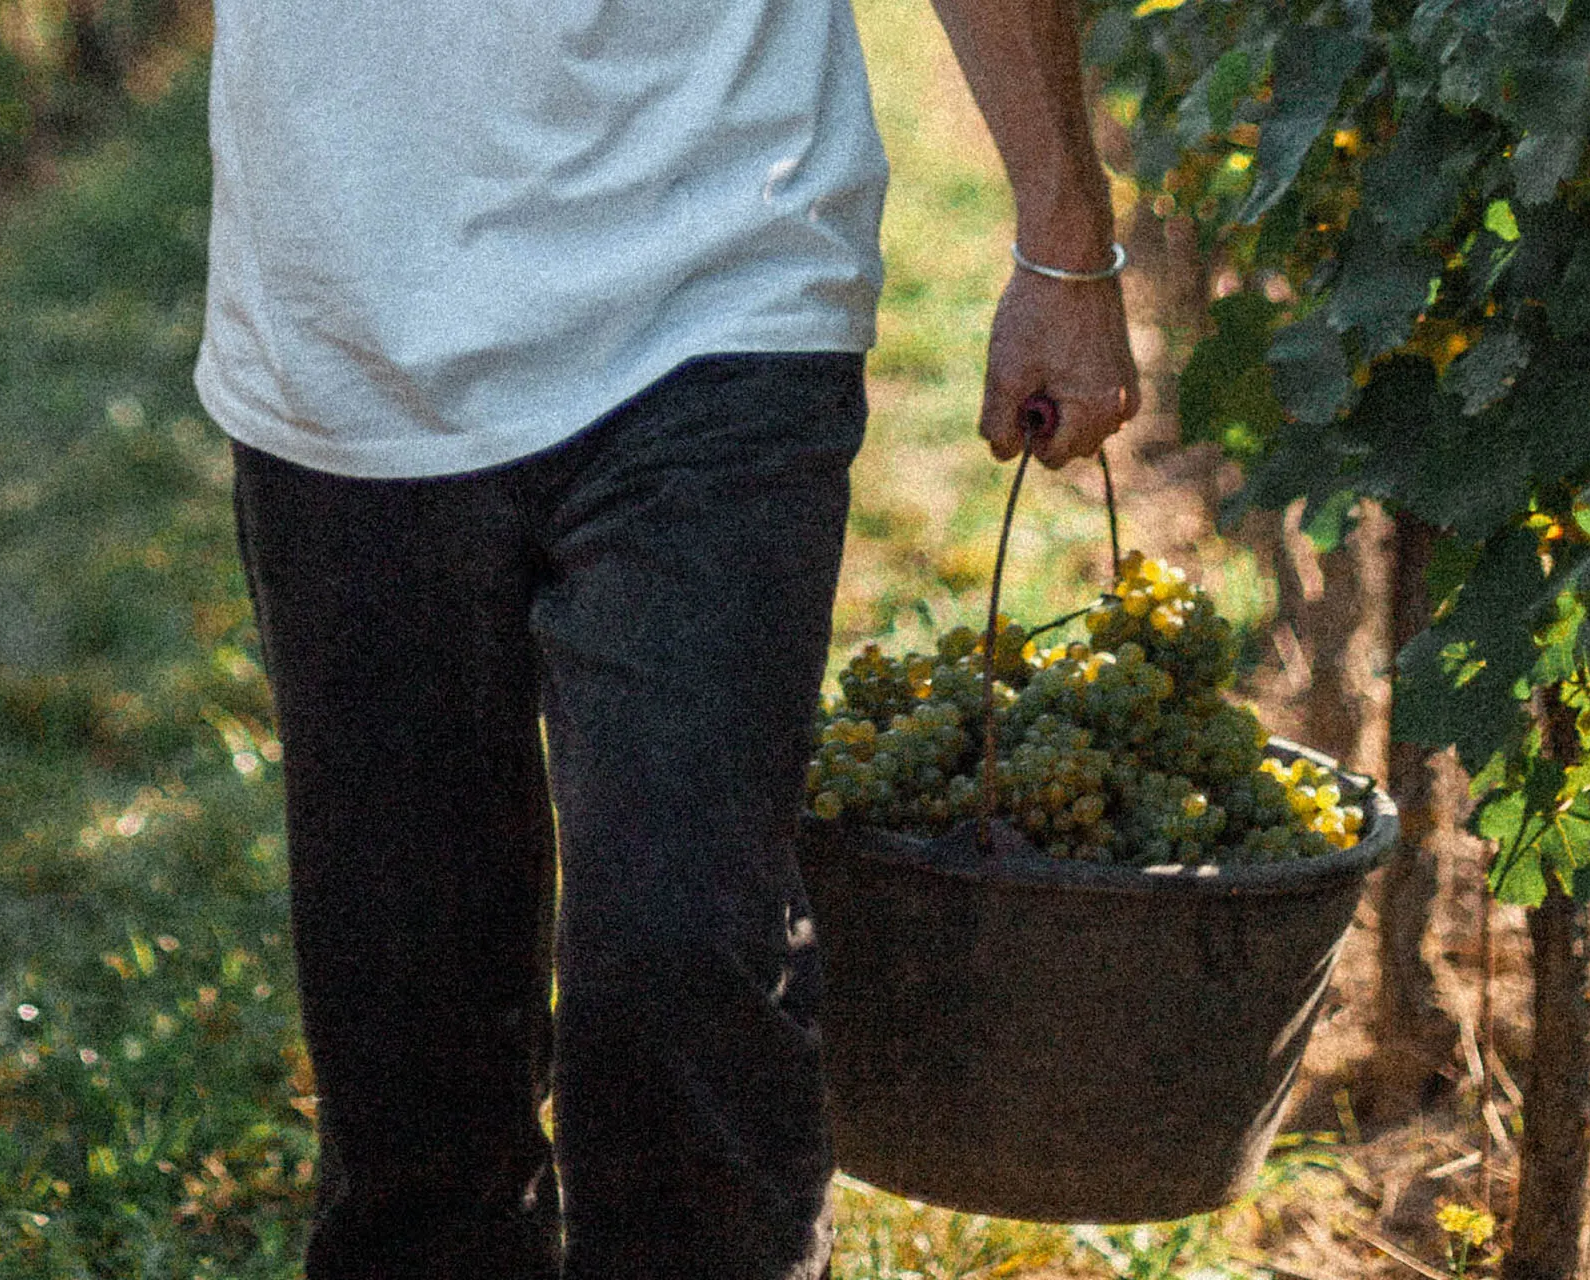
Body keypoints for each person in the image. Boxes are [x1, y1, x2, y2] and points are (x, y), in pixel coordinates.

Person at [194, 0, 1138, 1275]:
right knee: (407, 1026)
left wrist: (1066, 245)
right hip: (342, 321)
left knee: (684, 944)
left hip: (720, 272)